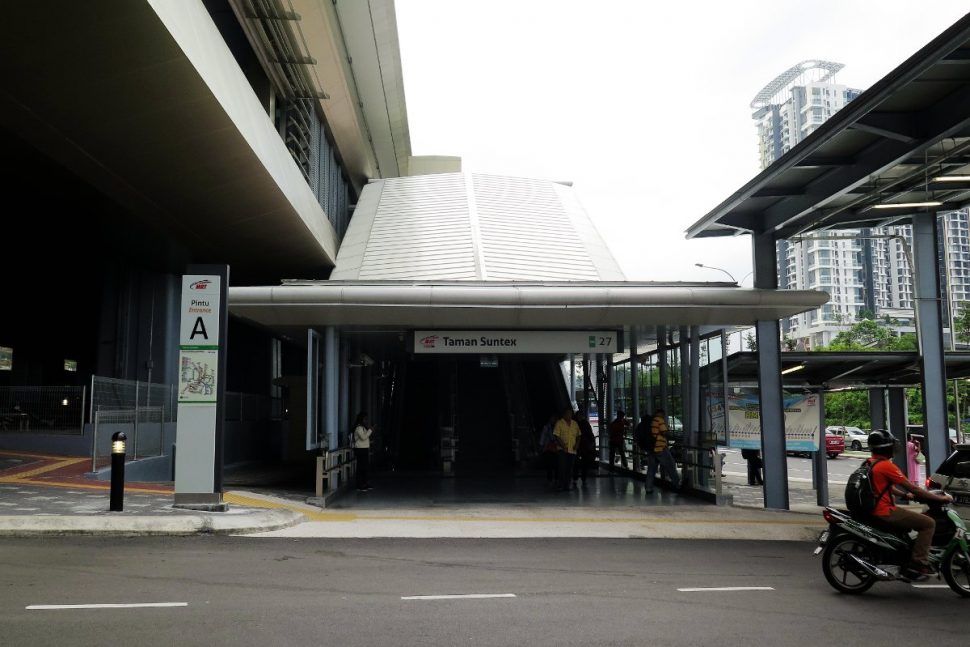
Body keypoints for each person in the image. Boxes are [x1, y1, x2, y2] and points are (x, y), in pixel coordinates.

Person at [864, 429, 952, 580]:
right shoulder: (886, 466)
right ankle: (918, 562)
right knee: (928, 523)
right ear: (886, 448)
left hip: (874, 509)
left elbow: (885, 487)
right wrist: (937, 498)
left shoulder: (869, 463)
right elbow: (913, 487)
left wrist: (904, 496)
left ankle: (906, 556)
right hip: (885, 511)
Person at [645, 408, 680, 494]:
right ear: (661, 413)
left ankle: (648, 488)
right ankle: (677, 484)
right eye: (664, 414)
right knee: (670, 465)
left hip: (652, 448)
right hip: (660, 447)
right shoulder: (659, 420)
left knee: (651, 470)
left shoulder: (651, 421)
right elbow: (664, 432)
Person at [553, 406, 580, 491]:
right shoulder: (559, 423)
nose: (569, 415)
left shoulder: (575, 424)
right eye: (568, 414)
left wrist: (577, 445)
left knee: (570, 468)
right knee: (562, 467)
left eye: (570, 414)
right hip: (562, 450)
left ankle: (567, 485)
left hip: (572, 450)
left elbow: (579, 435)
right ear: (564, 414)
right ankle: (561, 485)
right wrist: (563, 446)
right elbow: (556, 436)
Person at [574, 409, 597, 485]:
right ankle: (581, 477)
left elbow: (590, 434)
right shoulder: (585, 423)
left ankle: (577, 477)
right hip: (582, 445)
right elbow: (590, 434)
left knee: (578, 462)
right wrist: (591, 443)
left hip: (580, 445)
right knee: (582, 462)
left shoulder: (575, 423)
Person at [352, 411, 374, 491]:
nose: (366, 420)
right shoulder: (358, 428)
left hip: (364, 449)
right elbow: (363, 437)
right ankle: (359, 485)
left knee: (365, 467)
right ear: (361, 419)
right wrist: (370, 430)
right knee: (360, 467)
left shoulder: (363, 427)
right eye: (365, 419)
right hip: (360, 450)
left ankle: (365, 483)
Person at [538, 414, 559, 484]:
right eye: (552, 419)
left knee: (556, 464)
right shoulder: (546, 427)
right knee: (549, 464)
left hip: (556, 448)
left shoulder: (558, 427)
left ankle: (556, 477)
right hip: (548, 448)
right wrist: (541, 446)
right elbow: (543, 437)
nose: (553, 420)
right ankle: (550, 478)